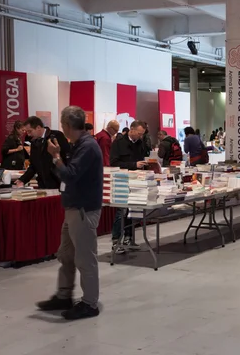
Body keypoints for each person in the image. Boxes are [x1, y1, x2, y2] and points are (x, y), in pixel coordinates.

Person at [36, 106, 103, 320]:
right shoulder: (78, 144)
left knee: (85, 258)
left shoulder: (88, 147)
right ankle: (64, 295)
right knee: (66, 255)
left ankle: (89, 304)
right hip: (73, 208)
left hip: (82, 210)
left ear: (66, 125)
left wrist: (56, 157)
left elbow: (70, 175)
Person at [110, 120, 147, 253]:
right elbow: (114, 163)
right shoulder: (118, 143)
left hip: (136, 180)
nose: (140, 136)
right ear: (131, 130)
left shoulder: (140, 143)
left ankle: (129, 238)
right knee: (121, 211)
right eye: (139, 133)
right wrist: (133, 165)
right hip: (121, 181)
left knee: (132, 211)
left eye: (142, 134)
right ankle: (116, 241)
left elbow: (140, 159)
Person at [16, 116, 70, 188]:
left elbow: (67, 158)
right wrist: (22, 179)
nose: (28, 134)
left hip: (58, 184)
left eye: (30, 131)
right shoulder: (34, 142)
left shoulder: (56, 136)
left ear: (38, 128)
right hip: (43, 186)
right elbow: (33, 165)